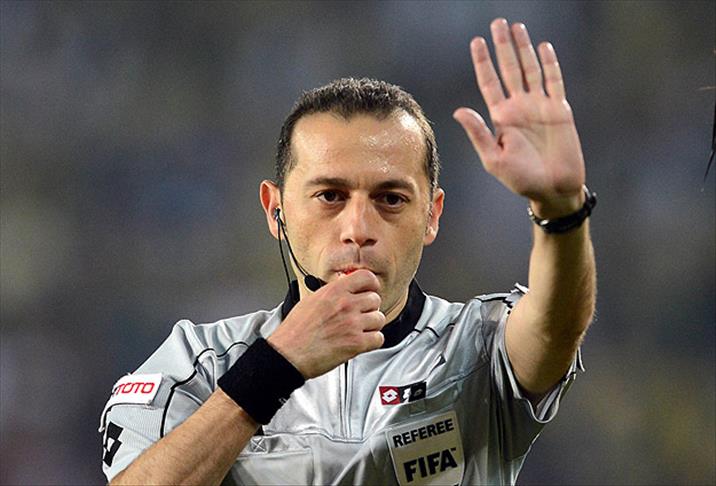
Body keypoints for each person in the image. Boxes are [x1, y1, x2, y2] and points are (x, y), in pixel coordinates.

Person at [100, 18, 596, 485]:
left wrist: (562, 210)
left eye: (390, 199)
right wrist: (274, 367)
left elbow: (556, 325)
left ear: (432, 215)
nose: (358, 229)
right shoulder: (199, 363)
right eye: (330, 196)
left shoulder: (478, 349)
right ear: (276, 210)